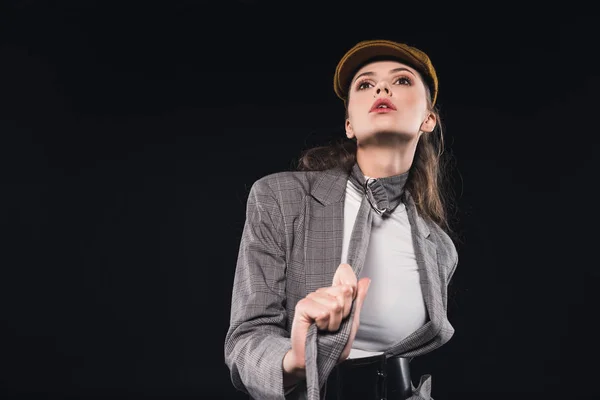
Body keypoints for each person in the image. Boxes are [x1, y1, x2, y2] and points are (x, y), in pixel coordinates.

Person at [224, 39, 460, 400]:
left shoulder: (440, 248)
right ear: (349, 123)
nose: (382, 88)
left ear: (429, 119)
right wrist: (297, 360)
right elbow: (245, 342)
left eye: (402, 81)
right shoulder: (280, 198)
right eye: (365, 84)